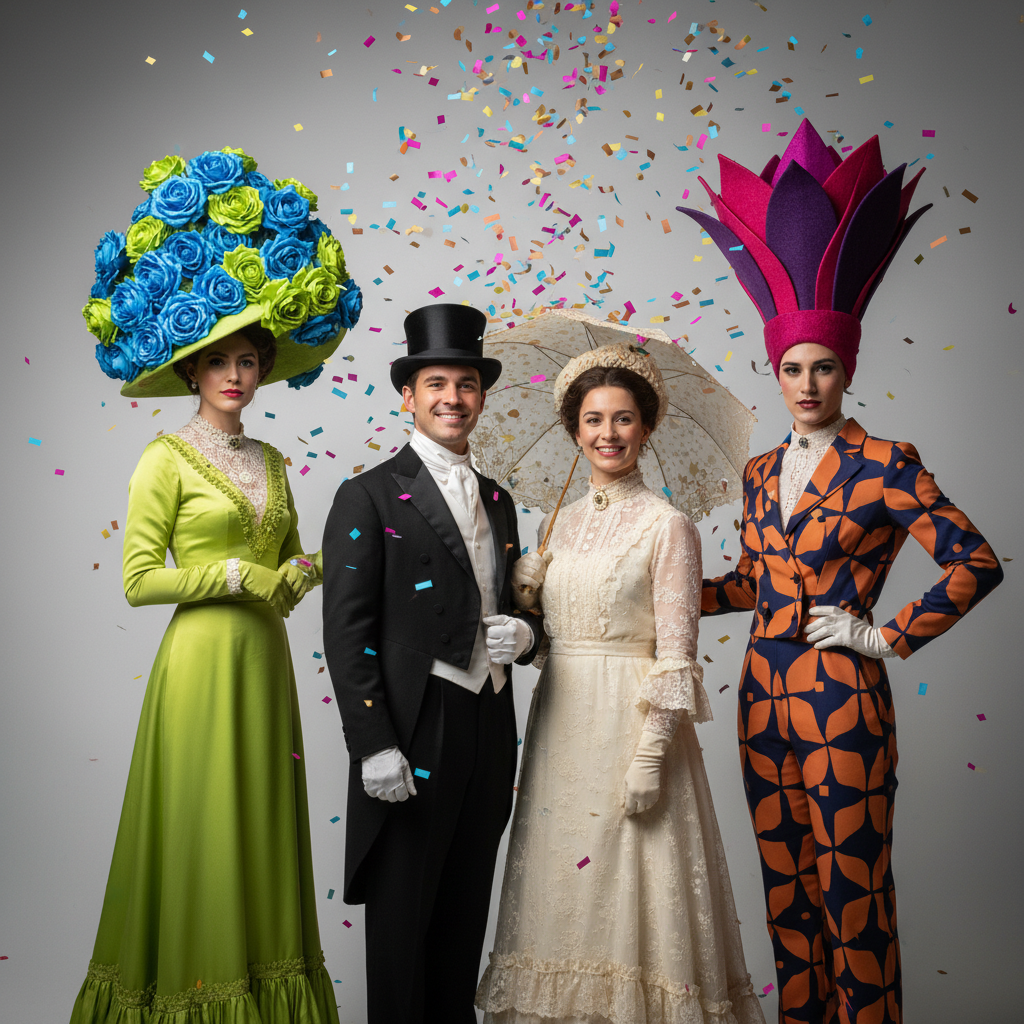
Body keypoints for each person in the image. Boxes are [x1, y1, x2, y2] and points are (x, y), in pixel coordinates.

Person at [681, 121, 1004, 1022]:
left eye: (825, 367)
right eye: (793, 368)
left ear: (846, 368)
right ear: (776, 372)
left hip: (842, 697)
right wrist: (670, 595)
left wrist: (884, 635)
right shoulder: (754, 473)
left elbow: (976, 563)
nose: (809, 383)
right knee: (786, 904)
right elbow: (754, 584)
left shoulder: (887, 463)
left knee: (852, 901)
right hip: (761, 697)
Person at [72, 146, 361, 1022]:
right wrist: (230, 572)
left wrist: (314, 569)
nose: (237, 374)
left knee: (259, 831)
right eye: (219, 360)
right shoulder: (162, 459)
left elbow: (294, 561)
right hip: (197, 669)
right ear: (191, 371)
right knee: (203, 830)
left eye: (249, 359)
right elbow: (137, 581)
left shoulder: (273, 460)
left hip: (262, 666)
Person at [476, 342, 766, 1024]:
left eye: (624, 419)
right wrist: (531, 592)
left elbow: (676, 651)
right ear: (575, 430)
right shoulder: (558, 523)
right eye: (595, 420)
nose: (608, 434)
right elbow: (548, 638)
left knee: (634, 881)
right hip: (561, 725)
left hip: (630, 724)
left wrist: (651, 752)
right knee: (564, 888)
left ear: (647, 426)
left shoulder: (671, 526)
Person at [321, 303, 544, 1024]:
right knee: (402, 922)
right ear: (409, 396)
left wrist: (527, 635)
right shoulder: (367, 494)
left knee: (462, 912)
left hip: (487, 719)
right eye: (437, 383)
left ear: (482, 396)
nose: (453, 397)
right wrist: (374, 744)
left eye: (467, 384)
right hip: (413, 728)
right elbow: (345, 630)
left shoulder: (501, 501)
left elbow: (515, 603)